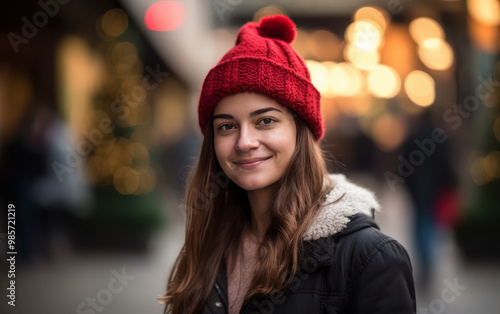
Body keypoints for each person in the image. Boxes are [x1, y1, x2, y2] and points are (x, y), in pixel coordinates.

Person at [161, 15, 416, 313]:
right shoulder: (207, 244)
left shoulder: (371, 258)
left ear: (301, 130)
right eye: (227, 126)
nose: (245, 142)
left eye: (265, 121)